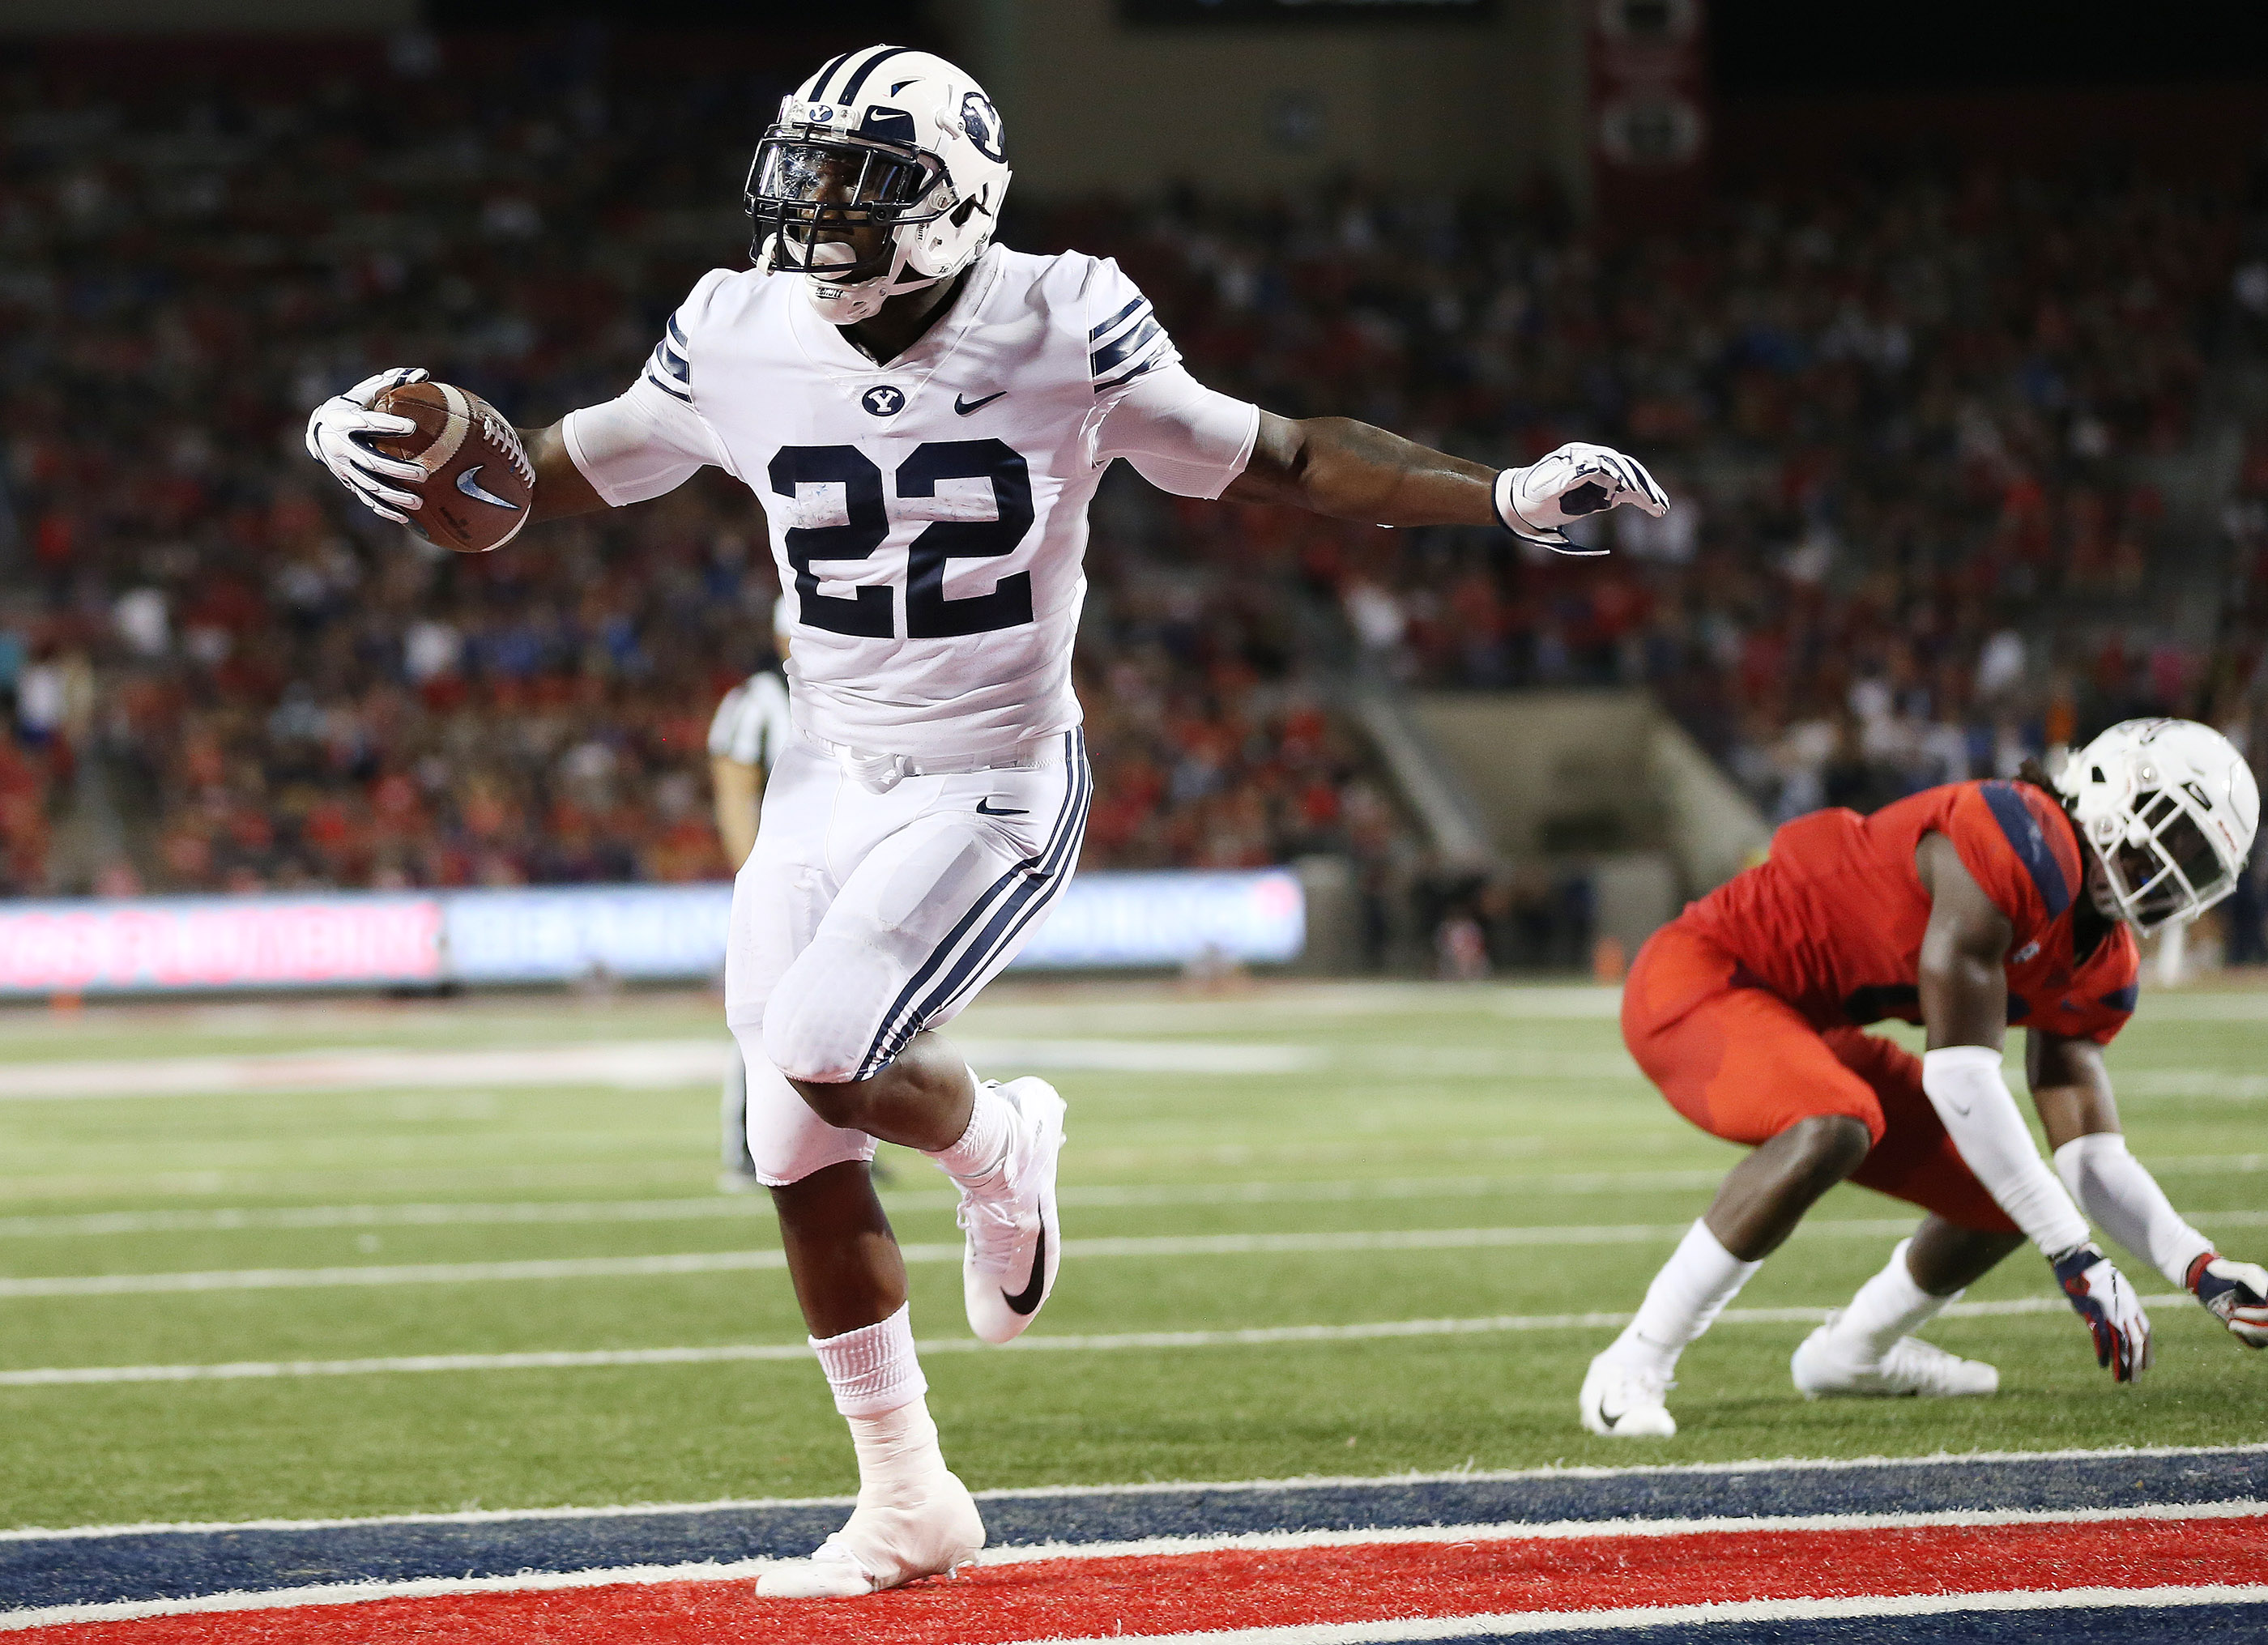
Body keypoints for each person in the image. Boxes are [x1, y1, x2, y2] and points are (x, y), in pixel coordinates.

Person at [306, 44, 1669, 1595]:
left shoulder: (1062, 315)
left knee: (824, 1048)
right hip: (826, 772)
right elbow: (556, 473)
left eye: (858, 189)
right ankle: (910, 1501)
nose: (815, 219)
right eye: (805, 180)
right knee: (784, 1126)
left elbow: (1285, 454)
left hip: (994, 777)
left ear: (955, 203)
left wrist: (1498, 494)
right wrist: (419, 462)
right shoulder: (735, 325)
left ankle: (1004, 1141)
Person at [1584, 718, 2268, 1438]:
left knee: (2001, 1199)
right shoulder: (2016, 835)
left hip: (1808, 1021)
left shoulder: (2104, 961)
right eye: (2176, 830)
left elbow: (2092, 1155)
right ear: (2117, 783)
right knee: (1835, 1126)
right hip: (1705, 975)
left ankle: (1854, 1353)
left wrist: (2202, 1269)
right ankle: (1632, 1364)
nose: (2175, 864)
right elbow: (1962, 1078)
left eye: (2197, 859)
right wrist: (2076, 1253)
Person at [711, 599, 796, 1192]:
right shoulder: (759, 700)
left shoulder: (853, 698)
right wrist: (754, 874)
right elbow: (734, 790)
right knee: (765, 1016)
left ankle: (850, 1145)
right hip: (784, 878)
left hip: (846, 875)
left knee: (851, 1016)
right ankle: (748, 1144)